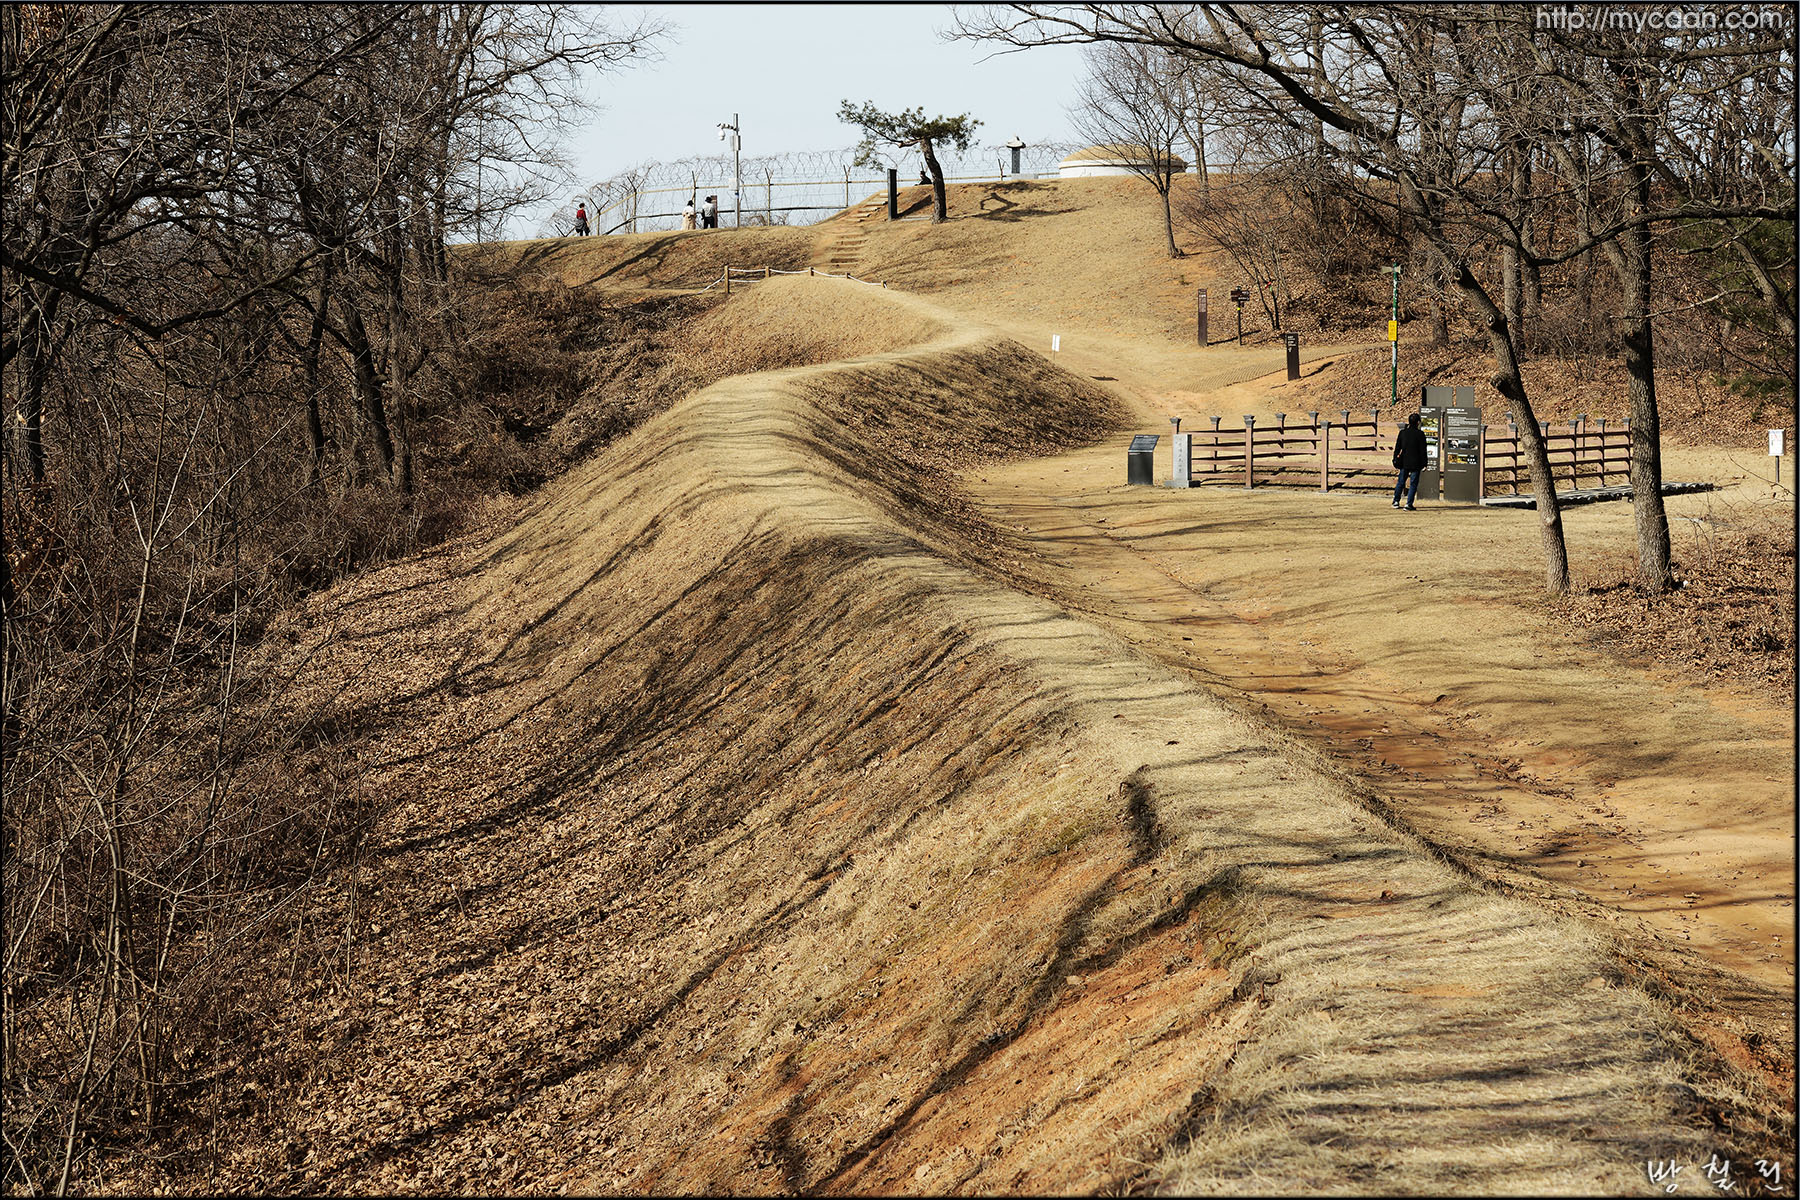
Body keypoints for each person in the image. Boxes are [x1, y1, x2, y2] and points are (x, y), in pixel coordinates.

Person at [1392, 412, 1428, 510]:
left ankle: (1396, 501)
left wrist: (1395, 458)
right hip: (1416, 462)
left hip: (1404, 461)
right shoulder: (1420, 434)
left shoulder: (1403, 433)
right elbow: (1423, 451)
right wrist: (1425, 463)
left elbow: (1397, 447)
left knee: (1401, 482)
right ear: (1418, 422)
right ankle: (1409, 504)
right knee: (1413, 484)